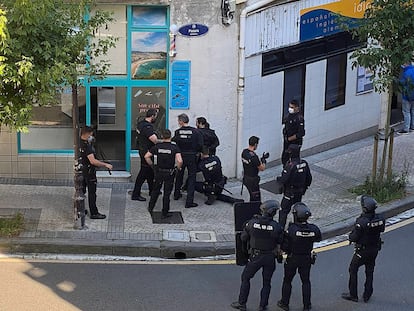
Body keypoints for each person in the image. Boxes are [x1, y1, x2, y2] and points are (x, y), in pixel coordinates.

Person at [231, 200, 284, 311]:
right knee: (266, 282)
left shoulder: (252, 223)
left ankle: (242, 303)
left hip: (256, 256)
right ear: (272, 212)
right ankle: (263, 306)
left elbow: (243, 238)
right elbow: (280, 241)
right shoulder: (277, 226)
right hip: (270, 257)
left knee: (245, 278)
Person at [277, 202, 322, 311]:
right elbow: (318, 238)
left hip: (292, 258)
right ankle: (307, 305)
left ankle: (285, 303)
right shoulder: (313, 229)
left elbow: (285, 246)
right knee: (306, 281)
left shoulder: (291, 230)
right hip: (306, 258)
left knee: (287, 281)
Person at [341, 195, 385, 303]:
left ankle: (353, 295)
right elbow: (381, 230)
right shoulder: (380, 219)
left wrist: (350, 236)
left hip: (363, 251)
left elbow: (354, 237)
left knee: (353, 269)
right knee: (369, 271)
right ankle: (367, 294)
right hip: (374, 249)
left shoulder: (362, 222)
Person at [145, 129, 183, 219]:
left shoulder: (157, 146)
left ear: (162, 136)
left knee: (155, 190)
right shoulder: (174, 147)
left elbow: (146, 156)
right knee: (167, 193)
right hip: (169, 172)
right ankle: (165, 212)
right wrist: (178, 168)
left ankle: (150, 208)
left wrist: (152, 165)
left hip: (159, 172)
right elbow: (180, 160)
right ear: (170, 136)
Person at [79, 126, 113, 219]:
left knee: (81, 191)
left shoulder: (79, 143)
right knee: (92, 193)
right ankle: (94, 213)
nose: (92, 136)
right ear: (88, 133)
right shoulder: (87, 146)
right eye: (91, 134)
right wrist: (105, 165)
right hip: (89, 172)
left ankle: (80, 209)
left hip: (81, 171)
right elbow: (93, 161)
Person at [276, 144, 312, 230]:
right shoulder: (304, 163)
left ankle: (281, 230)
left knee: (283, 211)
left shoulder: (290, 165)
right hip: (299, 192)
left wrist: (278, 179)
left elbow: (284, 179)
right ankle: (297, 228)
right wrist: (304, 188)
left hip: (289, 193)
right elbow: (309, 178)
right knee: (297, 210)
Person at [172, 113, 204, 208]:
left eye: (178, 121)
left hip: (181, 156)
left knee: (179, 175)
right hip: (192, 156)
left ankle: (176, 194)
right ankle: (189, 201)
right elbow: (200, 144)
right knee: (191, 177)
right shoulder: (195, 131)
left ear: (181, 121)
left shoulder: (178, 132)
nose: (178, 123)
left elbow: (175, 141)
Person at [131, 109, 159, 201]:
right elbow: (154, 140)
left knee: (150, 172)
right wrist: (164, 142)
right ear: (152, 116)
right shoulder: (147, 127)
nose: (156, 117)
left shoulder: (141, 123)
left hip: (143, 150)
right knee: (143, 173)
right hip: (146, 152)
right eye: (156, 116)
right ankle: (135, 194)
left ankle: (152, 190)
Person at [241, 136, 266, 202]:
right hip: (253, 181)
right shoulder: (254, 157)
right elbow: (262, 168)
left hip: (246, 178)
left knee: (252, 196)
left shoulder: (244, 152)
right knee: (256, 199)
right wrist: (263, 161)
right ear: (255, 144)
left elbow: (252, 163)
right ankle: (254, 210)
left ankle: (251, 208)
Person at [281, 100, 305, 166]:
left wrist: (290, 139)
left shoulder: (299, 118)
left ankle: (293, 173)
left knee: (293, 160)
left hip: (294, 143)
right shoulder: (289, 116)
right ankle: (286, 172)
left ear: (297, 108)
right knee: (285, 158)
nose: (290, 109)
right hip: (287, 142)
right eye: (289, 107)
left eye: (292, 107)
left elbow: (301, 133)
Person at [399, 63, 414, 134]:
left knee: (406, 112)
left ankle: (406, 128)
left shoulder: (406, 73)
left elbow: (402, 83)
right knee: (413, 112)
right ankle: (413, 126)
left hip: (407, 96)